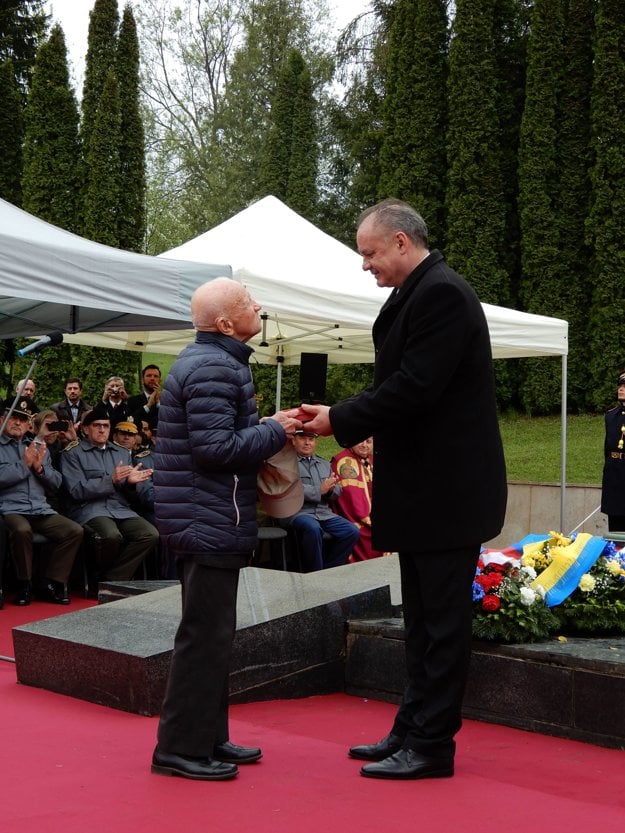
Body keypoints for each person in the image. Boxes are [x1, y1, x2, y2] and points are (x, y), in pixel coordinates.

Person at [299, 199, 507, 781]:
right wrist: (340, 413)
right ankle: (412, 726)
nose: (365, 265)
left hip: (447, 492)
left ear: (399, 241)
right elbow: (401, 386)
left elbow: (415, 387)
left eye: (368, 253)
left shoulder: (441, 292)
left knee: (441, 625)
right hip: (424, 490)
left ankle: (434, 744)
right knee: (419, 619)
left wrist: (338, 418)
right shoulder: (415, 293)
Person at [151, 277, 300, 782]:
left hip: (206, 516)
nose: (258, 305)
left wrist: (268, 428)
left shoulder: (214, 361)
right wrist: (276, 429)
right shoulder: (215, 365)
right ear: (225, 323)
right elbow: (215, 450)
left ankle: (207, 738)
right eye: (246, 303)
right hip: (207, 520)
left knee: (213, 635)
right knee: (204, 637)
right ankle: (179, 748)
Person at [0, 398, 83, 605]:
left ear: (29, 424)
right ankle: (24, 584)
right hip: (11, 509)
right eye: (13, 418)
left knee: (74, 531)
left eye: (22, 419)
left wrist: (40, 469)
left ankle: (50, 582)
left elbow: (56, 482)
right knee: (21, 530)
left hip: (40, 509)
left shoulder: (37, 446)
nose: (18, 423)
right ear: (2, 420)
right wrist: (24, 464)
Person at [60, 408, 158, 582]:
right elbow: (75, 490)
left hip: (120, 508)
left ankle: (112, 579)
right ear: (85, 429)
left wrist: (130, 484)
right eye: (97, 425)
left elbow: (131, 495)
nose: (102, 430)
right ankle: (108, 580)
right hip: (89, 509)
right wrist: (110, 480)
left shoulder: (121, 452)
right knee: (111, 535)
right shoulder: (72, 453)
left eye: (106, 426)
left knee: (150, 534)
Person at [280, 429, 359, 571]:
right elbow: (289, 489)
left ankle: (329, 570)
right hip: (298, 512)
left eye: (311, 439)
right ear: (293, 441)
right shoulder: (285, 464)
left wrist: (330, 490)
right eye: (302, 438)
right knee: (313, 528)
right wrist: (319, 490)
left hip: (323, 513)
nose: (307, 442)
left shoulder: (323, 464)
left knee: (351, 531)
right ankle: (314, 573)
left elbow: (337, 489)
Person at [331, 438, 384, 561]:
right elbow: (353, 501)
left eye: (369, 441)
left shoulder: (373, 458)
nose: (364, 445)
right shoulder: (344, 462)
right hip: (355, 516)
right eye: (360, 441)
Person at [600, 370, 625, 531]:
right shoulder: (611, 416)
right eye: (620, 386)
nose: (621, 389)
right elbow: (607, 447)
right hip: (614, 473)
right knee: (614, 523)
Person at [127, 365, 162, 432]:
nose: (152, 378)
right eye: (149, 375)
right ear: (142, 380)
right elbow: (130, 420)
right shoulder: (132, 401)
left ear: (160, 381)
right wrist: (148, 406)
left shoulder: (167, 401)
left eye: (155, 376)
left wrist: (158, 403)